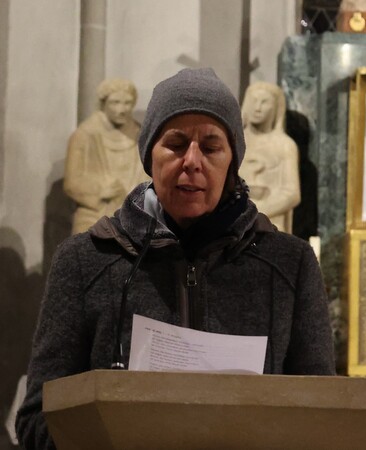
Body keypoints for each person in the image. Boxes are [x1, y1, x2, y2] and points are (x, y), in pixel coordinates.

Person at [16, 68, 335, 449]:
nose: (192, 161)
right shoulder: (86, 260)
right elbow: (37, 419)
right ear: (149, 156)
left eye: (211, 147)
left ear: (232, 162)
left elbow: (322, 417)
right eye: (176, 144)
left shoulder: (290, 265)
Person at [64, 78, 148, 234]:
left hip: (132, 215)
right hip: (93, 215)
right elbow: (71, 182)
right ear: (103, 104)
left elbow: (148, 174)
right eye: (115, 102)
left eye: (127, 103)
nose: (122, 109)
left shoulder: (140, 135)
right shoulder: (85, 135)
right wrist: (100, 191)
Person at [240, 81, 300, 233]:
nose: (257, 108)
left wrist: (258, 211)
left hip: (270, 223)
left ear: (276, 108)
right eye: (254, 101)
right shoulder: (235, 141)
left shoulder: (285, 145)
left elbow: (292, 194)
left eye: (264, 102)